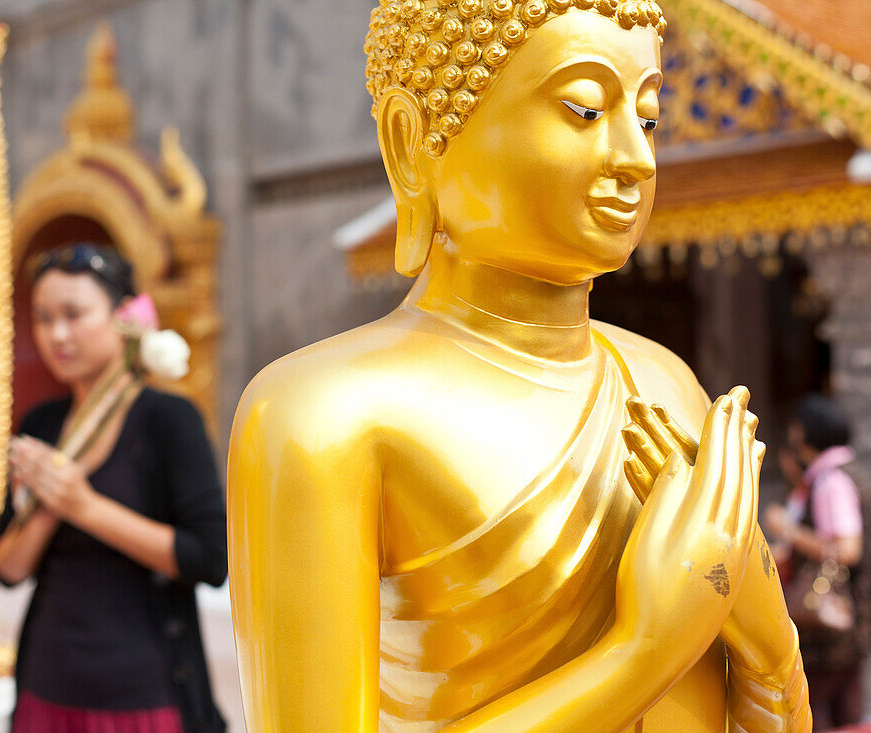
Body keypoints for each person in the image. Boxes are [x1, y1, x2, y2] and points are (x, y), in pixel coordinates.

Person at [227, 1, 810, 731]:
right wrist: (646, 646)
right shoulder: (321, 418)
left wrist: (766, 642)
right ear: (414, 143)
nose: (637, 156)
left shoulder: (665, 384)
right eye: (584, 109)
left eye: (649, 116)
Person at [0, 243, 227, 733]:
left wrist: (84, 504)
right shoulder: (43, 422)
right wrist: (52, 504)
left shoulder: (169, 420)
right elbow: (8, 568)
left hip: (143, 692)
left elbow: (208, 559)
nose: (57, 334)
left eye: (74, 314)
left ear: (124, 318)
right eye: (43, 318)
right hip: (48, 685)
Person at [766, 395, 868, 731]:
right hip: (848, 624)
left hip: (829, 625)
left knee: (817, 712)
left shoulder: (830, 480)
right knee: (847, 713)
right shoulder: (848, 472)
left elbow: (847, 549)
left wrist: (788, 530)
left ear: (805, 434)